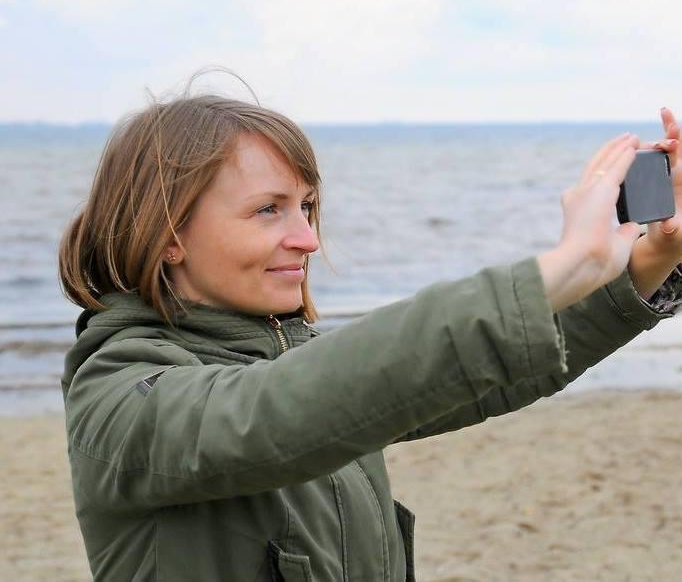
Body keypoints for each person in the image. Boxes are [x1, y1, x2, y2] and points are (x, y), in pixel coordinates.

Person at [59, 89, 682, 582]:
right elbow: (277, 412)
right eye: (268, 209)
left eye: (306, 207)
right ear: (167, 233)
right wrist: (563, 267)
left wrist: (652, 257)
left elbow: (479, 370)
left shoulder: (297, 360)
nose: (308, 239)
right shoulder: (117, 397)